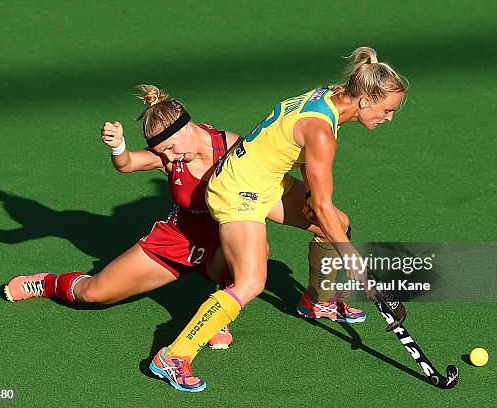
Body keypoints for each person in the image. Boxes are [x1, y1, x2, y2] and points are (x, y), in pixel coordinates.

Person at [150, 46, 408, 392]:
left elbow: (316, 197)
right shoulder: (320, 131)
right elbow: (323, 205)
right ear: (365, 100)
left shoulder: (328, 97)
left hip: (262, 179)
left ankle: (318, 301)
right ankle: (174, 356)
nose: (389, 117)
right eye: (387, 110)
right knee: (251, 281)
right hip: (237, 190)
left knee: (337, 226)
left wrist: (314, 205)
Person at [3, 85, 240, 351]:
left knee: (250, 246)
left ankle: (218, 314)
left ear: (185, 127)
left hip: (223, 241)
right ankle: (47, 283)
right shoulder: (169, 157)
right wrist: (118, 147)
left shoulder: (231, 146)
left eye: (171, 148)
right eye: (163, 152)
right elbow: (127, 164)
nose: (170, 158)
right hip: (177, 240)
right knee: (93, 293)